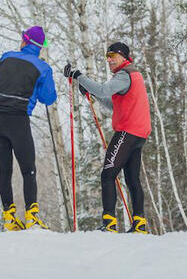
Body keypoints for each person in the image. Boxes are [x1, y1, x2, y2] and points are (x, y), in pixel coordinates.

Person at [64, 42, 151, 234]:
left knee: (108, 175)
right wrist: (91, 93)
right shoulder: (132, 76)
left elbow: (103, 90)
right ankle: (139, 224)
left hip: (127, 131)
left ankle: (109, 222)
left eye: (112, 55)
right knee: (132, 179)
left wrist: (78, 76)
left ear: (123, 56)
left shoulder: (124, 74)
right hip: (139, 133)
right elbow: (114, 105)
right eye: (107, 56)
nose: (109, 59)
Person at [0, 26, 57, 231]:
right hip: (17, 118)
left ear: (24, 41)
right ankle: (31, 217)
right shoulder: (43, 68)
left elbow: (0, 73)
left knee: (5, 168)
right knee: (28, 169)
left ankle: (9, 218)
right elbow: (48, 98)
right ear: (41, 47)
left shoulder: (6, 57)